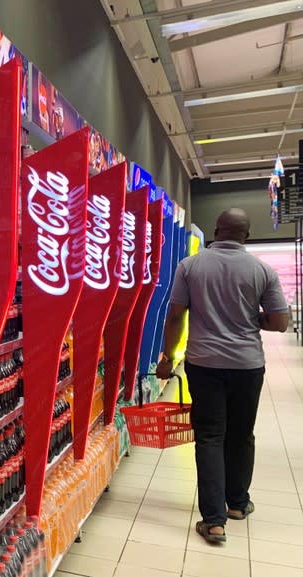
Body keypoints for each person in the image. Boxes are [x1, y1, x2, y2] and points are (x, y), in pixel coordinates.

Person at [156, 208, 289, 543]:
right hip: (247, 365)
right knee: (242, 435)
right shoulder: (263, 270)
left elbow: (175, 317)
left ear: (217, 230)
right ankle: (238, 505)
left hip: (204, 364)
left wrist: (168, 358)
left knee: (210, 437)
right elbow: (280, 322)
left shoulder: (191, 266)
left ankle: (214, 521)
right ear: (247, 234)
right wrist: (250, 319)